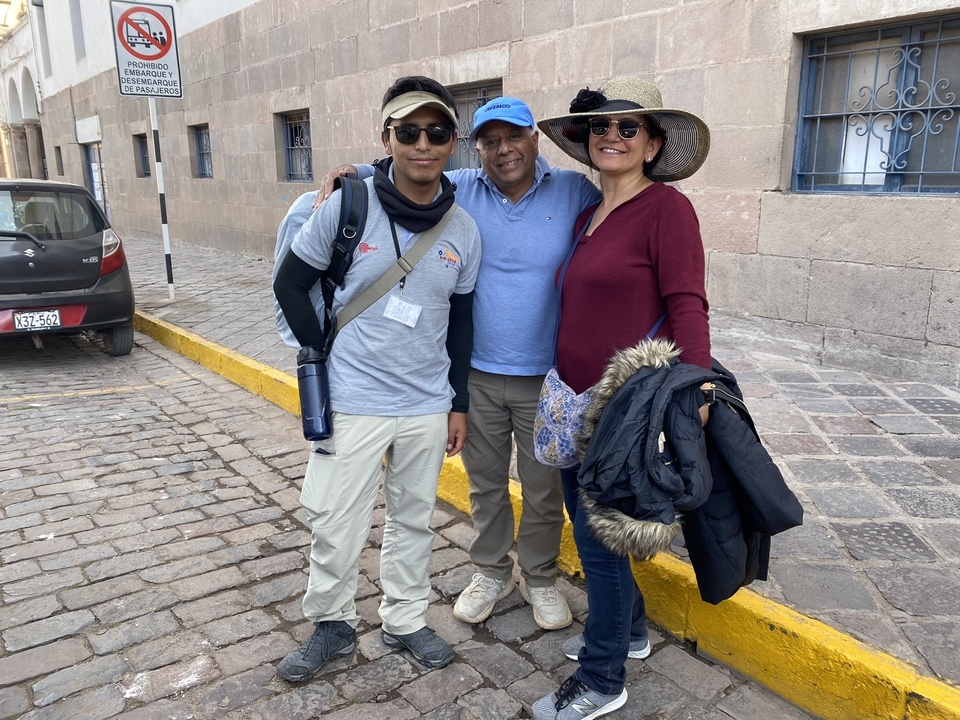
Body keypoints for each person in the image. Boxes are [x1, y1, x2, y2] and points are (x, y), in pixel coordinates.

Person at [317, 98, 601, 630]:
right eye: (489, 141)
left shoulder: (573, 191)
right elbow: (405, 167)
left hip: (548, 377)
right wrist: (350, 171)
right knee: (485, 484)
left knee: (542, 489)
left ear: (534, 139)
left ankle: (540, 577)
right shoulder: (463, 186)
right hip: (475, 375)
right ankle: (491, 571)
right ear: (476, 149)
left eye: (513, 137)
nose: (503, 150)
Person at [272, 76, 482, 681]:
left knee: (414, 518)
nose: (424, 144)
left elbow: (461, 323)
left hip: (425, 401)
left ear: (452, 141)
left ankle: (405, 620)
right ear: (386, 137)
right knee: (337, 521)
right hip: (355, 399)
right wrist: (322, 351)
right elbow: (290, 281)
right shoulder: (348, 205)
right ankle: (333, 626)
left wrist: (457, 401)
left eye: (437, 132)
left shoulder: (463, 230)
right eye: (409, 131)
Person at [531, 77, 712, 719]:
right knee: (595, 528)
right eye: (600, 127)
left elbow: (687, 303)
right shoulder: (589, 214)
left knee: (600, 544)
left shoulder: (666, 209)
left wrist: (695, 392)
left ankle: (603, 677)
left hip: (624, 407)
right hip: (573, 405)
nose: (612, 135)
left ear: (653, 143)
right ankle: (630, 631)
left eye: (628, 127)